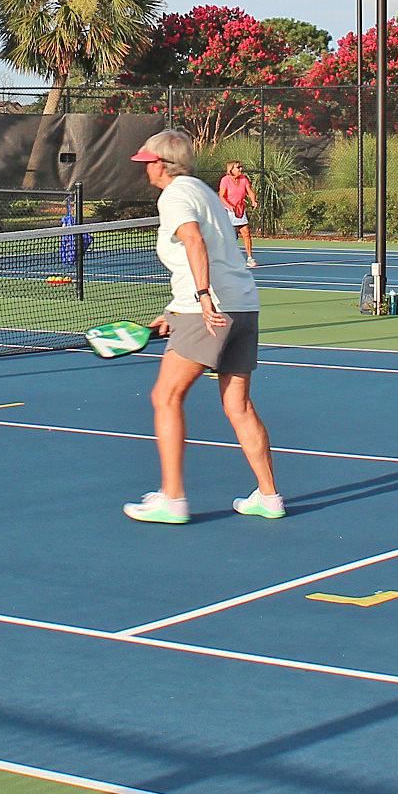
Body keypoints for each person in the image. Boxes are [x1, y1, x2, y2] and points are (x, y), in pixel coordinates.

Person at [122, 128, 280, 524]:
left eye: (148, 163)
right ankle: (268, 496)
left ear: (162, 164)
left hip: (210, 309)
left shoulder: (174, 195)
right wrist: (175, 310)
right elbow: (215, 254)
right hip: (243, 306)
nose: (146, 170)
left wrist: (203, 298)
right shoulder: (204, 191)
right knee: (238, 405)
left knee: (166, 397)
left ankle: (172, 500)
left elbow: (194, 243)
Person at [217, 158, 259, 264]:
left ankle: (250, 258)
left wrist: (254, 200)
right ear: (231, 169)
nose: (241, 169)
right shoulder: (225, 180)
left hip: (240, 209)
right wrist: (229, 206)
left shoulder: (244, 179)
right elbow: (221, 196)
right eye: (238, 167)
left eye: (241, 167)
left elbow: (249, 191)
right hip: (228, 210)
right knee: (230, 236)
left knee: (246, 232)